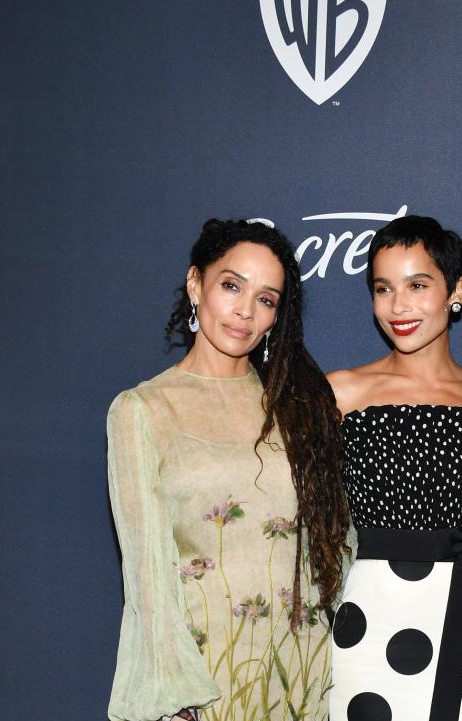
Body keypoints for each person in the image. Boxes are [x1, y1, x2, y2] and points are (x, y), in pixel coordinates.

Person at [106, 219, 348, 721]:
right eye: (232, 286)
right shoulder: (142, 410)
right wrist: (174, 699)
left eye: (266, 299)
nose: (245, 311)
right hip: (206, 683)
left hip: (303, 674)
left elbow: (336, 543)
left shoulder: (297, 405)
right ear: (196, 283)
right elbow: (147, 572)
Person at [326, 215, 462, 721]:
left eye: (418, 284)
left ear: (455, 290)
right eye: (383, 288)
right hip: (366, 623)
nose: (399, 306)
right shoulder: (340, 393)